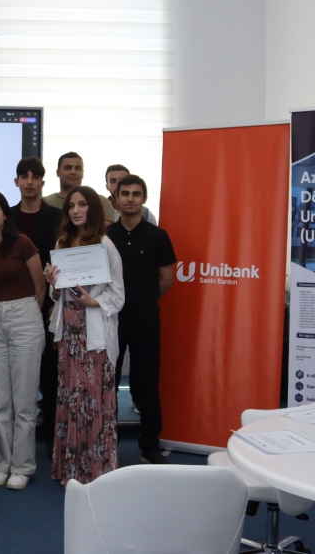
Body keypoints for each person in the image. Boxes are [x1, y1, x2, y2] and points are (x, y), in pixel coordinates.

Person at [44, 186, 124, 486]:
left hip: (95, 335)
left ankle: (96, 471)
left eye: (82, 205)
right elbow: (58, 295)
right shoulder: (62, 243)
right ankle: (72, 470)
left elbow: (118, 295)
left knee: (93, 401)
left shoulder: (105, 245)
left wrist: (94, 302)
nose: (76, 211)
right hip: (69, 336)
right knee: (71, 400)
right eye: (71, 206)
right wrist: (53, 284)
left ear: (93, 208)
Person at [0, 191, 45, 490]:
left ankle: (23, 466)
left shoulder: (22, 242)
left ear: (5, 213)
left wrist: (28, 317)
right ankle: (4, 463)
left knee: (24, 401)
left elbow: (40, 286)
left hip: (25, 315)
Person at [106, 174, 175, 464]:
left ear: (144, 199)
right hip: (111, 322)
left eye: (136, 194)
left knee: (146, 385)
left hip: (146, 321)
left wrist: (145, 299)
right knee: (107, 384)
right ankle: (107, 444)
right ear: (116, 198)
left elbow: (167, 279)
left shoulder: (158, 236)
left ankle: (149, 445)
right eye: (125, 194)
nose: (130, 199)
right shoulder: (106, 236)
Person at [10, 157, 62, 455]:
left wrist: (57, 300)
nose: (29, 181)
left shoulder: (57, 217)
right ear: (16, 181)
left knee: (51, 373)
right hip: (13, 302)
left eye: (35, 176)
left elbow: (64, 257)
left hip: (50, 303)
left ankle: (52, 434)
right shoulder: (6, 216)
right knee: (14, 374)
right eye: (24, 176)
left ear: (43, 182)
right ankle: (11, 437)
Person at [42, 152, 115, 224]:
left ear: (83, 173)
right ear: (58, 173)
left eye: (78, 168)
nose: (73, 172)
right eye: (68, 168)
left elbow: (104, 229)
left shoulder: (101, 202)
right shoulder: (46, 202)